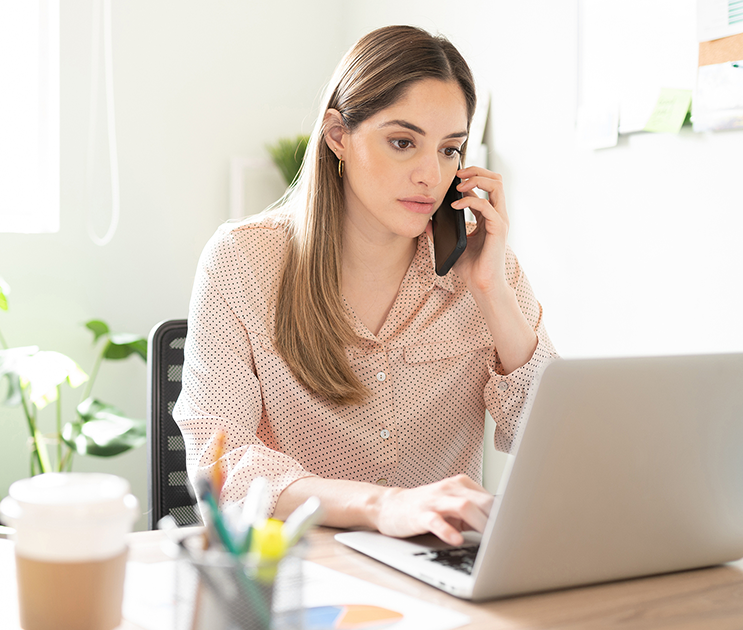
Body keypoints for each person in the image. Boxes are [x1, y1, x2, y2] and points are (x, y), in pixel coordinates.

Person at [174, 25, 556, 546]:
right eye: (403, 143)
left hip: (436, 568)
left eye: (450, 150)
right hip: (297, 567)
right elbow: (222, 465)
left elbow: (554, 446)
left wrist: (493, 292)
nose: (430, 174)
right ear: (338, 136)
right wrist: (384, 505)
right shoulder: (243, 262)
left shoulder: (485, 268)